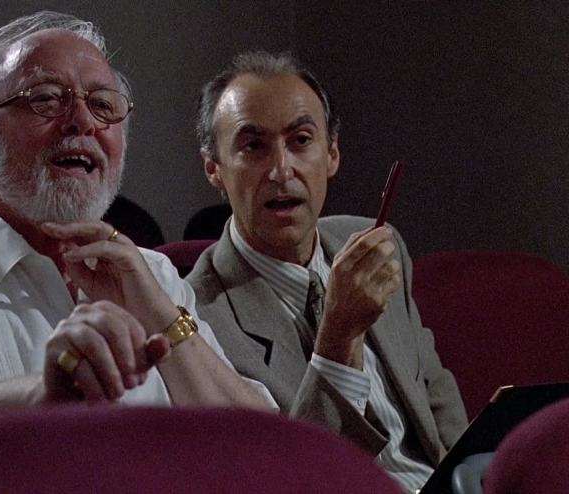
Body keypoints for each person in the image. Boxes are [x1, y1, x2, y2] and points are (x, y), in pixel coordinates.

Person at [0, 12, 273, 445]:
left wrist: (160, 314)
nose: (82, 122)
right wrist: (43, 397)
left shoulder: (152, 274)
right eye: (46, 100)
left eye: (102, 105)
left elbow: (267, 445)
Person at [186, 51, 468, 493]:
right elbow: (288, 481)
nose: (282, 170)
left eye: (301, 140)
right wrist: (338, 337)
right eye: (254, 146)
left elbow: (437, 401)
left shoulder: (379, 243)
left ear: (332, 154)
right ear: (214, 169)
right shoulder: (197, 317)